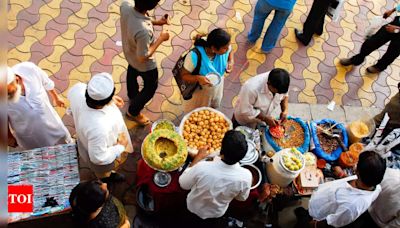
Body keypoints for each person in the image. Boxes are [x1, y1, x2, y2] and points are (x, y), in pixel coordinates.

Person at [68, 73, 133, 182]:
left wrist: (111, 100)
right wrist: (120, 147)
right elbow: (98, 157)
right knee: (103, 172)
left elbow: (72, 108)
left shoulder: (78, 89)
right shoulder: (98, 129)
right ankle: (106, 179)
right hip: (100, 152)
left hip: (86, 135)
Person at [295, 151, 386, 228]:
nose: (354, 165)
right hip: (319, 200)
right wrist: (342, 175)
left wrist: (314, 225)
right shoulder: (373, 184)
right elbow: (353, 180)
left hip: (318, 214)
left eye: (357, 164)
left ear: (358, 172)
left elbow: (332, 222)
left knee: (303, 223)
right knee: (306, 211)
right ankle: (305, 213)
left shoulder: (351, 206)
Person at [179, 130, 252, 223]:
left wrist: (198, 157)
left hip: (193, 207)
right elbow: (242, 198)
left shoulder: (202, 167)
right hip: (217, 213)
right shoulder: (246, 177)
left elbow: (183, 184)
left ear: (221, 149)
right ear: (242, 156)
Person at [120, 0, 170, 125]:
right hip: (145, 65)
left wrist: (158, 22)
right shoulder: (144, 31)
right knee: (150, 88)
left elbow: (136, 20)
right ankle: (133, 112)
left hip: (130, 55)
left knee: (132, 74)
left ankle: (133, 97)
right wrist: (161, 39)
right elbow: (143, 56)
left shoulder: (125, 6)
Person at [7, 62, 72, 150]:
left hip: (51, 123)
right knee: (39, 154)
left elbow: (46, 82)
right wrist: (9, 136)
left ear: (17, 80)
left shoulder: (29, 69)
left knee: (65, 144)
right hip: (29, 134)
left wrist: (56, 98)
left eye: (9, 93)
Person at [181, 28, 234, 113]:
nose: (227, 49)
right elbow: (184, 76)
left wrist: (231, 61)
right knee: (196, 113)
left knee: (211, 110)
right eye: (225, 48)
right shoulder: (194, 56)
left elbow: (231, 50)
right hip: (200, 93)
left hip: (217, 88)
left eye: (228, 46)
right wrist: (198, 78)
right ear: (213, 48)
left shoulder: (225, 48)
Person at [340, 4, 400, 73]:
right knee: (372, 42)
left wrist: (397, 30)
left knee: (392, 52)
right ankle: (357, 59)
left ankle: (380, 67)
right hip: (397, 23)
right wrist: (393, 10)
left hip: (397, 29)